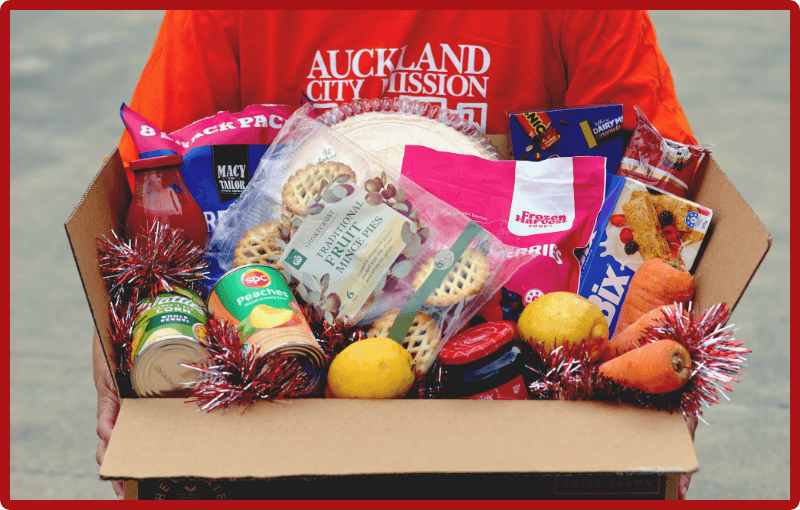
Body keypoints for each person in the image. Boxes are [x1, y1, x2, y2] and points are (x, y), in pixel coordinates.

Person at [96, 10, 700, 499]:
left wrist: (655, 367)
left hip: (519, 433)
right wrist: (118, 336)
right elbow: (148, 192)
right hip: (275, 413)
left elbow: (658, 194)